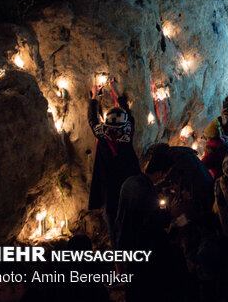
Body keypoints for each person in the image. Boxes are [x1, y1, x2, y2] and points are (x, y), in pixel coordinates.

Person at [114, 143, 187, 302]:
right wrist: (171, 215)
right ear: (161, 172)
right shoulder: (146, 192)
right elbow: (153, 224)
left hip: (128, 248)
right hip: (143, 253)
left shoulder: (130, 182)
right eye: (166, 173)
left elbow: (121, 219)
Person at [87, 81, 141, 243]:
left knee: (113, 229)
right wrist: (117, 94)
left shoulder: (102, 136)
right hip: (128, 189)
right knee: (129, 226)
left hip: (109, 191)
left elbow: (92, 119)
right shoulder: (127, 135)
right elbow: (129, 115)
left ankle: (118, 259)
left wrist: (94, 97)